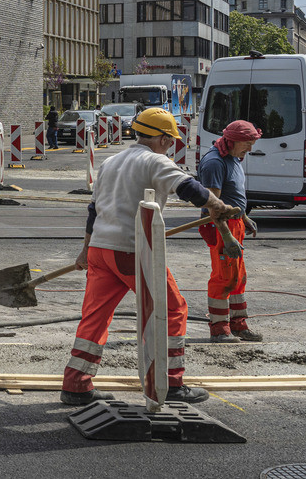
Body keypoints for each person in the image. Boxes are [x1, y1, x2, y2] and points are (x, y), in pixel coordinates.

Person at [59, 107, 241, 406]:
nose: (170, 146)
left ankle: (75, 385)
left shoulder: (110, 162)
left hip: (100, 250)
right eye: (170, 141)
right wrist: (217, 205)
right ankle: (171, 383)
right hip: (133, 250)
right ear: (163, 139)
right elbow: (188, 188)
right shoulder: (155, 161)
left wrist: (85, 249)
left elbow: (93, 210)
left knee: (95, 316)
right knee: (173, 310)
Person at [197, 119, 263, 343]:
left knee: (238, 277)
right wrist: (226, 236)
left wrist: (243, 217)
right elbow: (213, 207)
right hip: (220, 226)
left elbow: (232, 194)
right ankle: (219, 329)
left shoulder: (233, 157)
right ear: (233, 140)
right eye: (247, 144)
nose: (250, 149)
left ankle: (238, 325)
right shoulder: (214, 163)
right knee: (224, 278)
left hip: (234, 223)